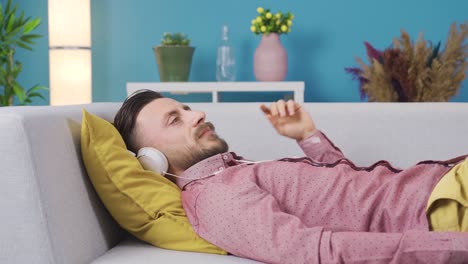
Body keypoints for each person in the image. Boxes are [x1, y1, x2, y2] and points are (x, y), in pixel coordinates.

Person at [114, 90, 468, 264]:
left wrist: (307, 136)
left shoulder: (234, 171)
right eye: (175, 119)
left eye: (186, 108)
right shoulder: (215, 197)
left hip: (444, 184)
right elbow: (315, 251)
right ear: (149, 161)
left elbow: (350, 192)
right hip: (443, 205)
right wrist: (454, 247)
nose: (198, 114)